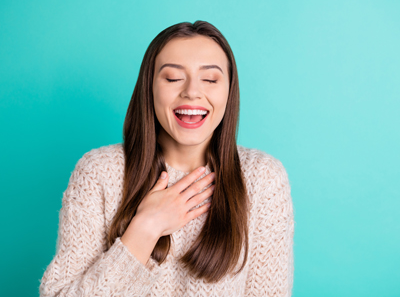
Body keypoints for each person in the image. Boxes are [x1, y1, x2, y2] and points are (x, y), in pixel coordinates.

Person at [40, 20, 295, 296]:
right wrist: (145, 228)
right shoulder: (98, 172)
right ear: (149, 88)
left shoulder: (261, 178)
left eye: (210, 79)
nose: (192, 92)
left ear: (229, 91)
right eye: (173, 78)